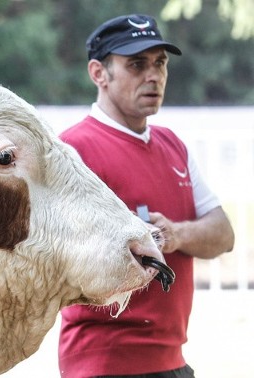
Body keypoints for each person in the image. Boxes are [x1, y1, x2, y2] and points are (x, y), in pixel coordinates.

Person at [58, 14, 235, 378]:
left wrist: (177, 235)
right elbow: (62, 261)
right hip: (103, 362)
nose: (153, 75)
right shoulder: (72, 151)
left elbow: (223, 235)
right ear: (98, 73)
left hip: (172, 361)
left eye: (160, 63)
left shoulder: (174, 146)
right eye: (136, 64)